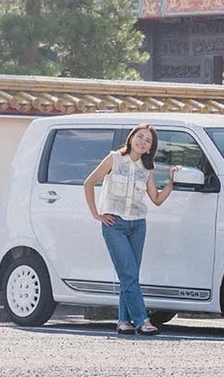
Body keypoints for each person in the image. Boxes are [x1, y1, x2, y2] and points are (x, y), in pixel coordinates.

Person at [83, 124, 180, 336]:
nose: (142, 141)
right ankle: (142, 320)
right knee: (128, 272)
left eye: (148, 141)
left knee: (130, 275)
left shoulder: (147, 168)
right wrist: (96, 214)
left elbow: (156, 200)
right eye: (140, 136)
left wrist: (171, 183)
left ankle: (123, 321)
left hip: (138, 225)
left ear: (149, 149)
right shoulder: (114, 159)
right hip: (114, 225)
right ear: (131, 137)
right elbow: (88, 183)